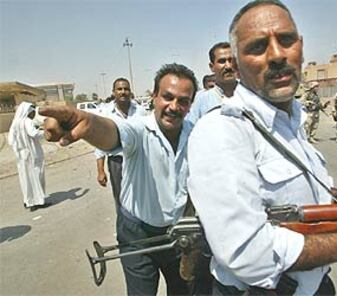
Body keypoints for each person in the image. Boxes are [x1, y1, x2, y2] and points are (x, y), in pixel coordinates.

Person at [187, 1, 337, 295]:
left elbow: (287, 197)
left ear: (301, 47)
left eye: (286, 40)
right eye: (257, 47)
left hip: (315, 285)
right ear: (237, 64)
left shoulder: (290, 119)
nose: (277, 54)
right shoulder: (222, 130)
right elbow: (246, 253)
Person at [40, 63, 198, 296]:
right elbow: (113, 133)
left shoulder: (196, 134)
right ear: (154, 97)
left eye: (183, 101)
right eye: (167, 97)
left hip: (177, 233)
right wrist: (85, 122)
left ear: (190, 105)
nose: (174, 107)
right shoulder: (139, 129)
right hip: (136, 233)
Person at [95, 78, 147, 213]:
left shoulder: (140, 111)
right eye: (119, 89)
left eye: (126, 89)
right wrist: (100, 170)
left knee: (142, 194)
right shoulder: (106, 113)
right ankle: (124, 228)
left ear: (130, 91)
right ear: (113, 92)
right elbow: (100, 144)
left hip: (138, 159)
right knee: (120, 196)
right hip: (117, 161)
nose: (123, 92)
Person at [8, 102, 51, 211]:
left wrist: (19, 146)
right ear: (27, 112)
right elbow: (34, 134)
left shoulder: (15, 123)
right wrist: (46, 132)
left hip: (21, 155)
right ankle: (39, 201)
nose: (33, 114)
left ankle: (28, 201)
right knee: (37, 175)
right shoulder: (27, 121)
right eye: (32, 112)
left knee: (25, 177)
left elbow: (10, 141)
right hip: (32, 153)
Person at [187, 42, 238, 124]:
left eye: (231, 60)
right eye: (222, 61)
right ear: (212, 67)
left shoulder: (250, 96)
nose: (228, 66)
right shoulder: (201, 102)